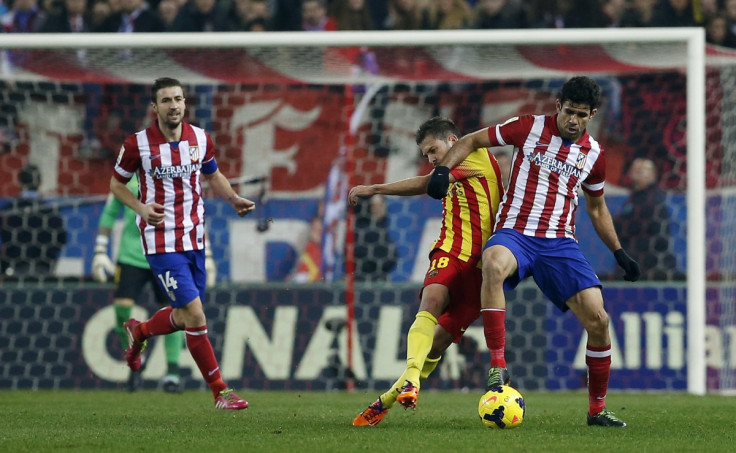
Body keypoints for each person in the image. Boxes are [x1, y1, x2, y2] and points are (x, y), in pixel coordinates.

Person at [426, 76, 641, 427]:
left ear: (592, 115)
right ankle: (498, 366)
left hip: (559, 243)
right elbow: (471, 139)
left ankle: (597, 410)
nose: (573, 120)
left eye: (582, 115)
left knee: (599, 321)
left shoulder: (595, 155)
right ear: (558, 106)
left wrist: (618, 252)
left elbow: (597, 208)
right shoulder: (527, 127)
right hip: (516, 232)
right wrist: (442, 169)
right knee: (493, 263)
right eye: (569, 111)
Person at [110, 77, 255, 410]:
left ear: (185, 103)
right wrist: (142, 208)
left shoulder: (200, 138)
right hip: (160, 241)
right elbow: (116, 185)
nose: (174, 105)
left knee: (186, 316)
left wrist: (232, 199)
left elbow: (212, 173)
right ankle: (220, 390)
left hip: (194, 238)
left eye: (178, 99)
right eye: (166, 100)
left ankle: (141, 330)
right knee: (195, 312)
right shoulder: (137, 145)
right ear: (154, 107)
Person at [350, 117, 503, 426]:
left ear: (453, 139)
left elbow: (426, 183)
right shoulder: (451, 167)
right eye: (426, 155)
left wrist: (376, 188)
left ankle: (388, 399)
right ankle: (411, 382)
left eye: (433, 149)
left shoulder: (472, 154)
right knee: (431, 300)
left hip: (482, 267)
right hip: (450, 248)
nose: (432, 158)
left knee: (437, 343)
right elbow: (432, 181)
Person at [93, 173, 218, 392]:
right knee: (122, 308)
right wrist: (100, 250)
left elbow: (193, 217)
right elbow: (110, 213)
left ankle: (172, 372)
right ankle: (134, 363)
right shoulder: (127, 183)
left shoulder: (174, 180)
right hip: (131, 255)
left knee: (179, 311)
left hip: (166, 253)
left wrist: (207, 256)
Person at [613, 157, 682, 281]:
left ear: (653, 175)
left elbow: (632, 227)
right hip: (635, 261)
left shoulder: (652, 199)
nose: (636, 173)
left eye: (642, 170)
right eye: (635, 169)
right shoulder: (634, 199)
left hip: (652, 265)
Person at [0, 164, 67, 280]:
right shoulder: (51, 213)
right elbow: (61, 239)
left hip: (14, 271)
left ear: (19, 182)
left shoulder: (8, 211)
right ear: (40, 182)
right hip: (44, 270)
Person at [353, 194, 397, 282]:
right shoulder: (363, 231)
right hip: (364, 283)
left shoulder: (382, 229)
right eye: (373, 206)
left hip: (378, 282)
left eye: (380, 205)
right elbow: (388, 258)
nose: (378, 209)